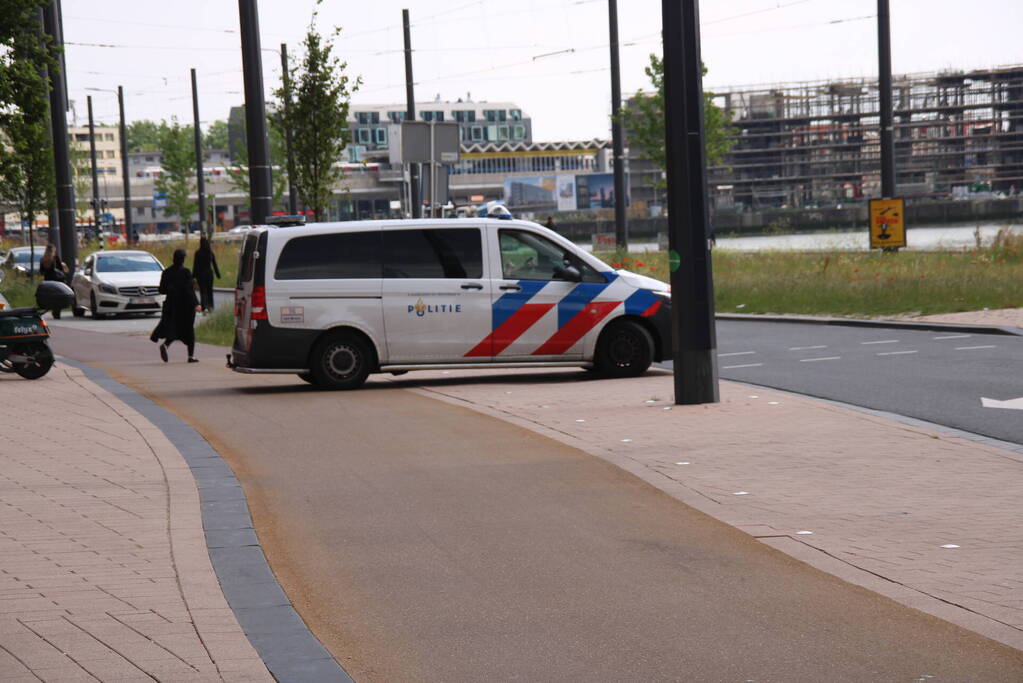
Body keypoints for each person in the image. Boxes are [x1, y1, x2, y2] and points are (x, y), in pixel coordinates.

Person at [150, 248, 201, 363]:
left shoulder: (166, 272)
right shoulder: (186, 272)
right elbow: (189, 291)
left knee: (175, 329)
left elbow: (161, 290)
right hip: (185, 306)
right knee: (188, 330)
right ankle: (191, 356)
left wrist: (171, 289)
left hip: (171, 305)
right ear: (183, 259)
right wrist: (196, 304)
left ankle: (166, 346)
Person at [38, 244, 69, 319]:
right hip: (57, 280)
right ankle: (57, 312)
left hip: (48, 281)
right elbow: (60, 269)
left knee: (51, 296)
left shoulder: (43, 259)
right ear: (53, 250)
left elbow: (41, 271)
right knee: (58, 296)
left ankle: (51, 307)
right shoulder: (55, 258)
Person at [192, 236, 221, 314]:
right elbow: (214, 264)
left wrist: (193, 276)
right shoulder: (210, 252)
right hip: (209, 274)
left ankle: (204, 307)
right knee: (209, 290)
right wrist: (218, 274)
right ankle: (211, 306)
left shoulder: (198, 253)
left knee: (203, 291)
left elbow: (195, 265)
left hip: (200, 275)